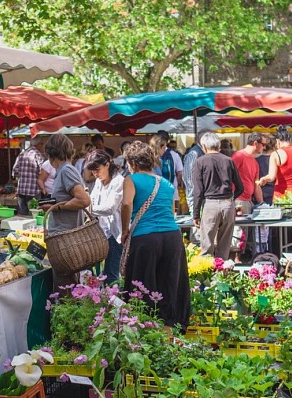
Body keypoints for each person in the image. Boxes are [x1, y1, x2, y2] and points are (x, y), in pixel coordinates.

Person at [121, 141, 189, 330]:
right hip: (172, 236)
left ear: (132, 163)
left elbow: (126, 204)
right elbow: (172, 211)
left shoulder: (131, 179)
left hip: (146, 237)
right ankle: (168, 330)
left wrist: (125, 229)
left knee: (142, 284)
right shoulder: (166, 183)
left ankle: (144, 327)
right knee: (168, 284)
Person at [41, 134, 91, 291]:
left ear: (51, 154)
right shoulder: (64, 170)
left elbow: (83, 200)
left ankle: (67, 316)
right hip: (64, 238)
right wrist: (53, 204)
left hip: (65, 240)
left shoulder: (66, 170)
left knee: (65, 290)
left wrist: (58, 207)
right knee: (67, 287)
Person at [193, 132, 243, 259]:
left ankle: (206, 275)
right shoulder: (228, 161)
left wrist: (195, 214)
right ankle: (222, 274)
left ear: (204, 146)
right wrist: (231, 198)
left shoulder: (200, 162)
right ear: (218, 145)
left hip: (210, 204)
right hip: (227, 204)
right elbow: (240, 187)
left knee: (207, 246)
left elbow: (198, 191)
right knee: (224, 247)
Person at [85, 150, 124, 283]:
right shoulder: (98, 181)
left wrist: (87, 208)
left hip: (115, 234)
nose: (95, 174)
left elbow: (110, 208)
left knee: (111, 275)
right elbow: (92, 200)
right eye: (93, 171)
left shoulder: (119, 181)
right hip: (100, 234)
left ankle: (112, 302)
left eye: (97, 170)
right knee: (91, 272)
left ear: (107, 164)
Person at [232, 132, 265, 215]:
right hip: (238, 201)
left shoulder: (255, 162)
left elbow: (256, 185)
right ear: (255, 143)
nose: (264, 147)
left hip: (248, 201)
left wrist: (262, 204)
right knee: (239, 227)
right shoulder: (238, 156)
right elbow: (228, 176)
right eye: (263, 144)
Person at [13, 137, 44, 215]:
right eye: (42, 144)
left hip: (21, 190)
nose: (42, 146)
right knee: (34, 215)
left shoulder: (22, 154)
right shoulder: (37, 154)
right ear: (37, 144)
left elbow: (15, 170)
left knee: (23, 216)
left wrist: (22, 177)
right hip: (33, 190)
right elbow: (42, 171)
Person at [182, 135, 205, 218]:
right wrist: (193, 195)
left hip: (200, 196)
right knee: (197, 224)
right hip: (196, 196)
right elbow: (188, 177)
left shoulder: (201, 151)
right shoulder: (194, 153)